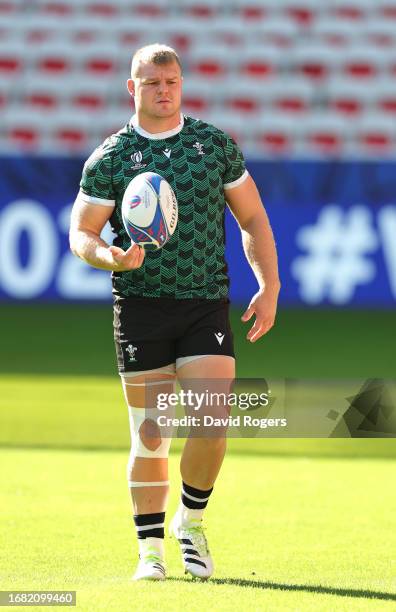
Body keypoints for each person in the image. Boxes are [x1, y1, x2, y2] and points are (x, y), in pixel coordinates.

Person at [69, 43, 280, 581]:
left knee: (211, 423)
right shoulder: (111, 158)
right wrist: (107, 256)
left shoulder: (213, 146)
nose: (164, 91)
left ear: (181, 84)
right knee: (151, 434)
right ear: (132, 89)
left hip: (205, 304)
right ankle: (149, 553)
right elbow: (81, 234)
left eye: (173, 82)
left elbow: (252, 218)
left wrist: (269, 284)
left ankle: (190, 521)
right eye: (152, 83)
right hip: (139, 306)